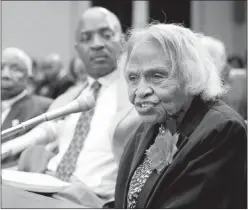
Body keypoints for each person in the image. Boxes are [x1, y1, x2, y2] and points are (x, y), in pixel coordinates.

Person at [1, 7, 137, 208]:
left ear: (123, 40)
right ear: (78, 48)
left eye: (106, 35)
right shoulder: (72, 97)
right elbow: (47, 130)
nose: (97, 44)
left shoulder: (136, 95)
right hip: (50, 186)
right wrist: (6, 147)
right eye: (86, 38)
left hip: (95, 198)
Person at [114, 23, 247, 208]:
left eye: (157, 76)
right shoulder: (155, 123)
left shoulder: (221, 130)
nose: (140, 91)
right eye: (133, 78)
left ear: (190, 75)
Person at [1, 47, 53, 168]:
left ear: (29, 77)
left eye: (15, 69)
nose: (5, 75)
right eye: (1, 68)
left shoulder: (43, 108)